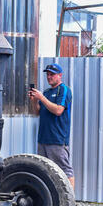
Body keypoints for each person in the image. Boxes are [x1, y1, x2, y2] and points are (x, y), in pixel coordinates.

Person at [28, 63, 75, 191]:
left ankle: (70, 202)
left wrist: (41, 98)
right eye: (48, 74)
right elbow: (37, 112)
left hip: (57, 139)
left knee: (65, 170)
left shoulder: (64, 90)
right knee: (45, 170)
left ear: (60, 75)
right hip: (43, 138)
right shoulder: (47, 92)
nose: (49, 77)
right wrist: (34, 100)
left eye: (52, 74)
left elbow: (59, 110)